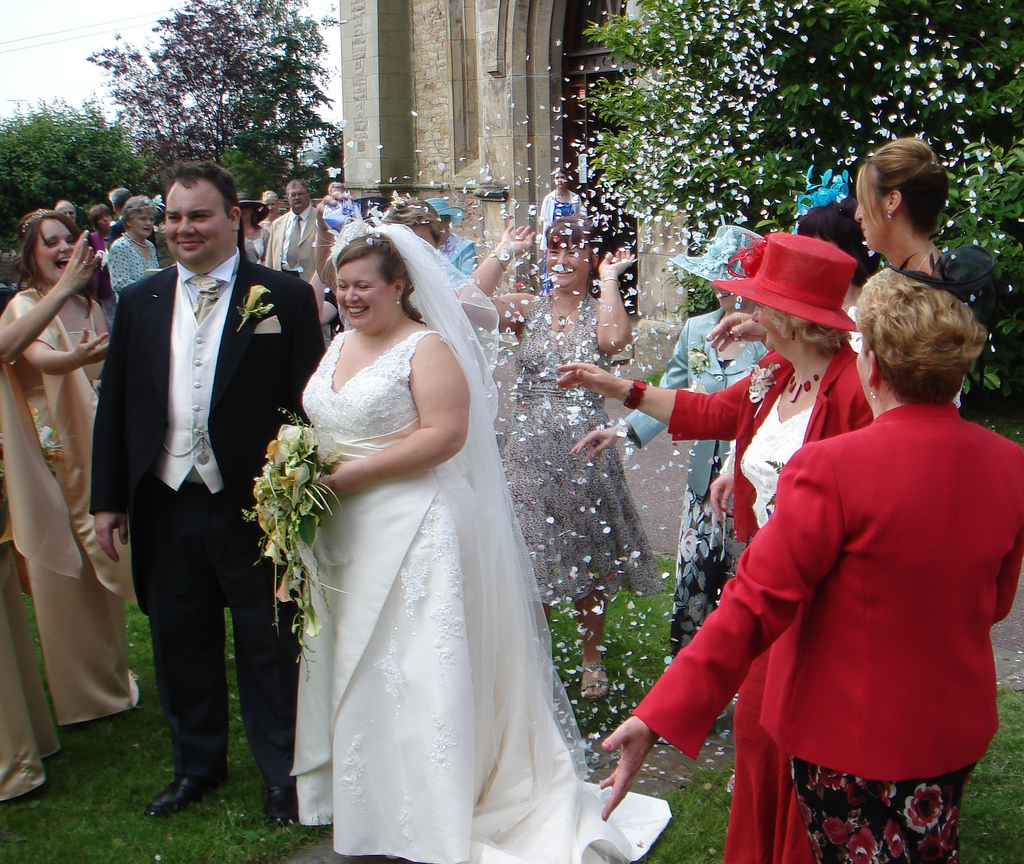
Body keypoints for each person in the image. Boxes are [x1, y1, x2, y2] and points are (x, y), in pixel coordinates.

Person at [597, 268, 1024, 863]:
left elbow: (752, 603)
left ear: (870, 364)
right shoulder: (1011, 464)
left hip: (850, 733)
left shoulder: (830, 467)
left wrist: (656, 715)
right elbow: (996, 601)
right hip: (952, 729)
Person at [294, 220, 669, 862]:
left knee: (417, 662)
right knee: (363, 662)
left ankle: (437, 799)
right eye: (342, 286)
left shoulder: (427, 346)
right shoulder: (338, 344)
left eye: (364, 285)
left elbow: (446, 434)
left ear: (400, 285)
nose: (350, 297)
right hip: (348, 529)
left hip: (417, 524)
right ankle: (371, 795)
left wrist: (346, 475)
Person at [558, 232, 873, 864]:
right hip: (764, 589)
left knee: (815, 760)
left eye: (760, 301)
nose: (746, 310)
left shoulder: (856, 392)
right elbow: (710, 412)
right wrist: (619, 389)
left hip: (829, 603)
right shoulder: (774, 374)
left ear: (787, 316)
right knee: (759, 743)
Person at [91, 161, 324, 823]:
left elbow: (308, 405)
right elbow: (118, 408)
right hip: (166, 501)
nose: (182, 228)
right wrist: (109, 497)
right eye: (172, 217)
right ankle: (197, 765)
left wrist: (299, 498)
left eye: (197, 215)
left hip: (254, 505)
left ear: (234, 219)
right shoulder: (140, 303)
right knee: (179, 640)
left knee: (268, 643)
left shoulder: (282, 295)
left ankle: (284, 772)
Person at [571, 224, 766, 653]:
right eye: (716, 278)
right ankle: (691, 675)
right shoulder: (697, 330)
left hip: (755, 478)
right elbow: (675, 394)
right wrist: (622, 430)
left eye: (730, 278)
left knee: (746, 583)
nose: (722, 289)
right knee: (695, 578)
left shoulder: (772, 340)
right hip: (702, 484)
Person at [491, 217, 662, 700]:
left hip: (584, 450)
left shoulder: (600, 309)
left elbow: (613, 342)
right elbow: (466, 305)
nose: (560, 260)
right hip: (526, 451)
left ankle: (591, 659)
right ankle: (536, 660)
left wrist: (609, 279)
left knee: (586, 556)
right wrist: (504, 252)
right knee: (533, 559)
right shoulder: (527, 307)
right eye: (553, 250)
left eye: (573, 251)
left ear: (590, 257)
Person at [0, 210, 138, 727]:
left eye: (68, 240)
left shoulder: (88, 304)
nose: (62, 248)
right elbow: (33, 356)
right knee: (63, 571)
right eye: (50, 242)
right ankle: (80, 696)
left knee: (99, 573)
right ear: (32, 255)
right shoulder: (24, 305)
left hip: (91, 442)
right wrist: (75, 348)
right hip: (48, 452)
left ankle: (111, 679)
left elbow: (98, 369)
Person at [854, 137, 948, 275]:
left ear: (892, 202)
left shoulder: (932, 288)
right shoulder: (950, 277)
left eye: (864, 201)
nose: (858, 215)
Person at [106, 195, 158, 298]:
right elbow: (119, 284)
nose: (148, 223)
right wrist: (148, 289)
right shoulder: (120, 246)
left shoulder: (150, 246)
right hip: (131, 309)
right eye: (143, 218)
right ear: (128, 221)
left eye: (151, 219)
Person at [265, 178, 316, 282]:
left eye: (300, 194)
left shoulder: (320, 220)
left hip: (310, 280)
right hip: (282, 278)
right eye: (293, 195)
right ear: (287, 198)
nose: (297, 198)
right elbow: (270, 258)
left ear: (308, 195)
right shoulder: (277, 224)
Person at [425, 196, 479, 275]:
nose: (434, 227)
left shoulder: (464, 247)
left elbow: (470, 279)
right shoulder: (419, 247)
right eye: (429, 223)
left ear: (448, 222)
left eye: (438, 222)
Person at [87, 203, 116, 330]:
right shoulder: (93, 238)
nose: (105, 220)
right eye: (100, 218)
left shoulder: (118, 234)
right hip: (103, 282)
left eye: (107, 216)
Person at [237, 192, 270, 263]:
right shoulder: (230, 234)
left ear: (252, 209)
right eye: (240, 207)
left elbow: (269, 258)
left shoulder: (264, 234)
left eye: (246, 206)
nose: (243, 210)